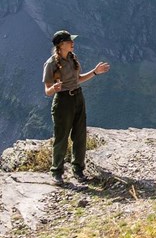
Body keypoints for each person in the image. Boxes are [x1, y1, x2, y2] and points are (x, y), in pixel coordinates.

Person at [43, 30, 110, 184]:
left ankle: (78, 170)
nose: (73, 43)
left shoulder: (73, 59)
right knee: (62, 137)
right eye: (69, 41)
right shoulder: (51, 63)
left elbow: (78, 79)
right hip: (63, 101)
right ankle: (56, 172)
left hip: (78, 97)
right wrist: (55, 88)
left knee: (80, 135)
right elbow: (47, 90)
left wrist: (95, 72)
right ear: (61, 44)